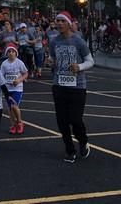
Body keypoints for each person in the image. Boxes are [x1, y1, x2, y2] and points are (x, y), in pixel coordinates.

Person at [50, 11, 94, 163]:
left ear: (69, 23)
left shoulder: (78, 41)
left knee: (75, 119)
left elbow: (90, 61)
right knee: (62, 121)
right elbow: (53, 58)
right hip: (59, 84)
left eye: (63, 21)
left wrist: (79, 66)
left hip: (77, 86)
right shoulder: (54, 41)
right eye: (58, 21)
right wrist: (51, 62)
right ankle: (70, 150)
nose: (60, 24)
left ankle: (83, 141)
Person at [0, 44, 29, 135]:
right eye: (9, 51)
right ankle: (12, 125)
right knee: (10, 108)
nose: (11, 53)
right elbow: (1, 76)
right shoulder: (4, 64)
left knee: (14, 106)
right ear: (6, 53)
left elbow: (25, 73)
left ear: (16, 53)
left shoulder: (19, 63)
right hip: (8, 89)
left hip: (17, 88)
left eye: (13, 51)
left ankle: (20, 123)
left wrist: (19, 80)